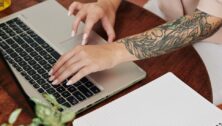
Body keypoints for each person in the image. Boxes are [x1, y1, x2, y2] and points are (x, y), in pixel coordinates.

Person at [48, 0, 222, 94]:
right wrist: (107, 4)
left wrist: (112, 52)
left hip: (214, 43)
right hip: (162, 12)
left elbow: (206, 21)